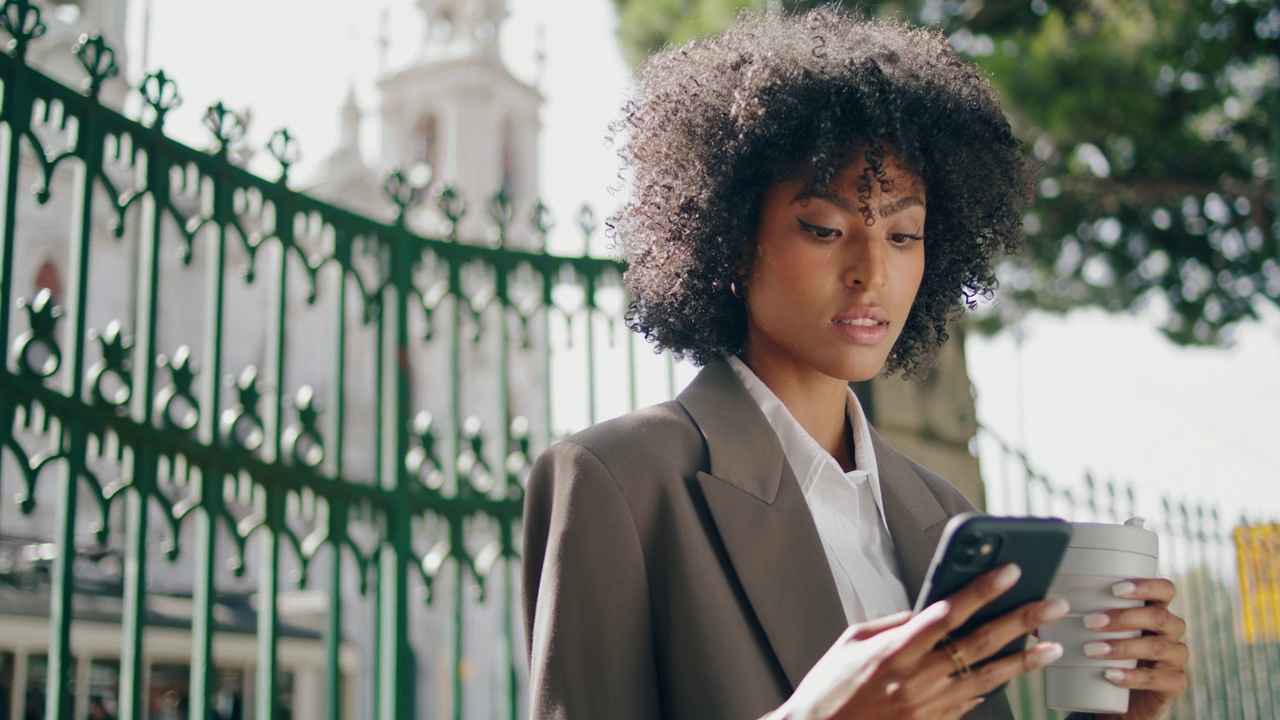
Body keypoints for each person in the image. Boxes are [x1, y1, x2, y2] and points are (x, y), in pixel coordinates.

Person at [521, 8, 1188, 720]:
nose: (872, 271)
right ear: (735, 239)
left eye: (904, 234)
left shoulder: (944, 514)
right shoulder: (618, 481)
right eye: (825, 228)